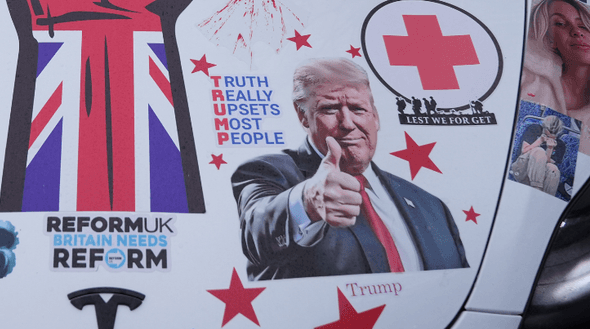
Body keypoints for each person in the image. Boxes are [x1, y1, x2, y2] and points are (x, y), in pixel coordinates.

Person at [231, 58, 468, 280]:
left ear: (375, 117)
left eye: (357, 109)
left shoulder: (432, 207)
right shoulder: (267, 171)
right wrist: (308, 202)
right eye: (330, 109)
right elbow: (256, 231)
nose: (347, 123)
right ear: (303, 116)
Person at [511, 115, 564, 196]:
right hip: (522, 169)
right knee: (539, 151)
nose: (550, 135)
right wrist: (540, 141)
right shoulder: (534, 129)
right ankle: (536, 188)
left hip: (541, 175)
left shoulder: (560, 145)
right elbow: (524, 151)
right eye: (548, 132)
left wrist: (550, 148)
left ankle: (547, 197)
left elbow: (548, 163)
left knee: (553, 169)